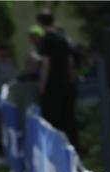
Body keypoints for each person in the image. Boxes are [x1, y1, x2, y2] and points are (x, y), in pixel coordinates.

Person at [36, 9, 78, 146]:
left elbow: (46, 64)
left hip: (53, 86)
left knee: (53, 120)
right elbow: (71, 60)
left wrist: (42, 85)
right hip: (66, 84)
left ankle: (56, 148)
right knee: (69, 118)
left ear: (40, 23)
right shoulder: (64, 37)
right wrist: (71, 78)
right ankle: (73, 146)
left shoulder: (47, 40)